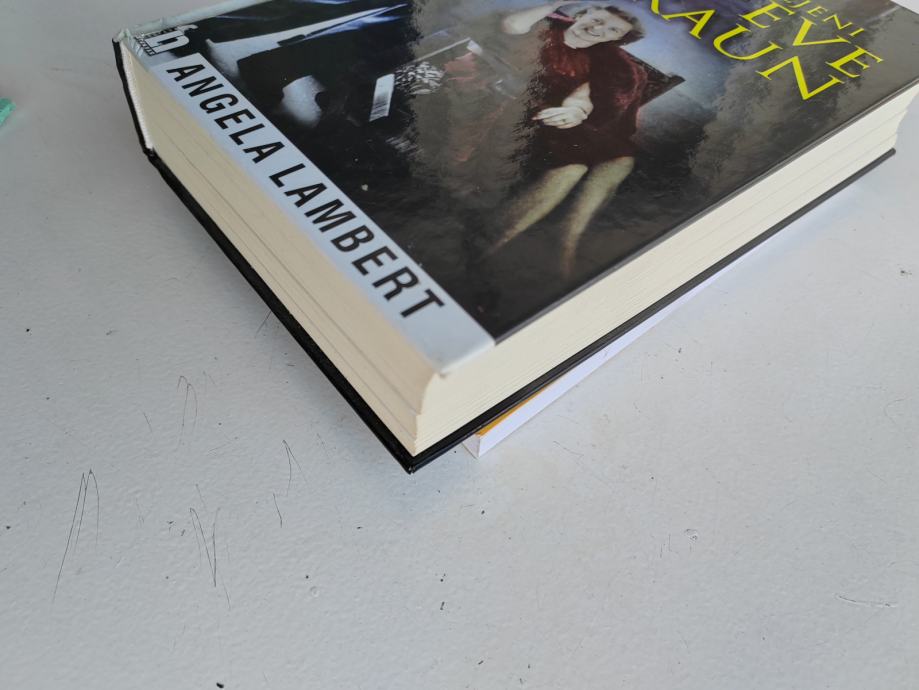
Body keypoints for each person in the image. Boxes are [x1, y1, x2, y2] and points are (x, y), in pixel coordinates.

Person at [482, 2, 648, 277]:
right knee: (573, 167)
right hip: (514, 105)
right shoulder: (546, 29)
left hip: (553, 117)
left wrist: (575, 111)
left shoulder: (601, 60)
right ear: (582, 14)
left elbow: (584, 95)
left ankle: (569, 235)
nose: (598, 29)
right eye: (598, 19)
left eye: (612, 30)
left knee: (622, 158)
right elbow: (511, 26)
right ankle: (495, 240)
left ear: (617, 39)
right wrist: (554, 4)